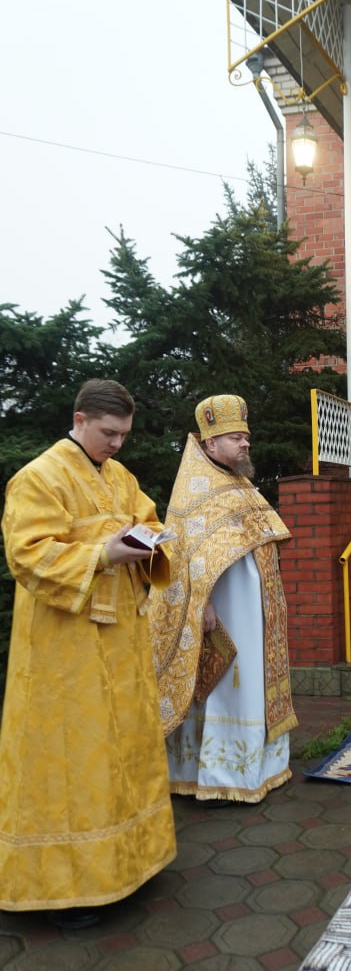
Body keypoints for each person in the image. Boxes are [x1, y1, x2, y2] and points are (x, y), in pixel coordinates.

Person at [0, 379, 176, 927]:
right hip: (64, 650)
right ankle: (68, 887)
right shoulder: (39, 477)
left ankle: (132, 860)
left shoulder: (120, 476)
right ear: (79, 420)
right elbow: (27, 555)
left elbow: (149, 520)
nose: (117, 444)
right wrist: (102, 552)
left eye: (124, 434)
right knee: (72, 757)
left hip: (121, 641)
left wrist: (148, 541)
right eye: (108, 433)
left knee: (121, 746)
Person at [150, 394, 297, 804]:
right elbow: (184, 558)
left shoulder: (238, 482)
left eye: (246, 436)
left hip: (252, 606)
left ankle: (257, 768)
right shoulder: (195, 489)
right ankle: (219, 775)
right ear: (210, 442)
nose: (245, 443)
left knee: (251, 679)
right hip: (224, 610)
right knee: (228, 682)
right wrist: (203, 604)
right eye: (235, 437)